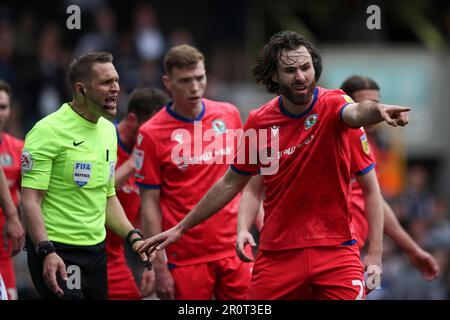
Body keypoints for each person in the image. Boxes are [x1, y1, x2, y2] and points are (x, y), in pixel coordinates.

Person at [137, 31, 410, 300]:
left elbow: (356, 112)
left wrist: (379, 109)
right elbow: (234, 182)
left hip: (336, 250)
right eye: (291, 70)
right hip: (277, 255)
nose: (301, 76)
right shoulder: (259, 122)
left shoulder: (334, 103)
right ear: (274, 76)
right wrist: (181, 228)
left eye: (306, 67)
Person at [20, 52, 148, 300]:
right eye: (106, 82)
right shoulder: (48, 130)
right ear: (81, 89)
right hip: (57, 250)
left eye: (116, 80)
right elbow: (30, 200)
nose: (116, 89)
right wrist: (45, 250)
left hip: (96, 253)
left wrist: (132, 236)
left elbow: (107, 195)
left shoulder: (109, 131)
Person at [134, 44, 252, 300]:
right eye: (185, 80)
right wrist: (159, 266)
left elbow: (248, 181)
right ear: (168, 82)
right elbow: (149, 205)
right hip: (185, 257)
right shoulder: (151, 134)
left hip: (235, 249)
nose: (195, 87)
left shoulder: (229, 114)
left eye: (200, 78)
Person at [340, 75, 439, 281]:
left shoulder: (371, 147)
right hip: (333, 250)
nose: (372, 110)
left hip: (352, 251)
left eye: (376, 104)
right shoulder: (337, 142)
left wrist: (412, 250)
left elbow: (376, 201)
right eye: (364, 104)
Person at [106, 86, 168, 300]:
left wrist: (153, 265)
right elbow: (94, 192)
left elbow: (145, 214)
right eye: (152, 126)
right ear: (132, 120)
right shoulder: (104, 139)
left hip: (115, 256)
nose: (156, 134)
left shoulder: (152, 155)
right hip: (82, 251)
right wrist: (134, 162)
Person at [0, 79, 25, 300]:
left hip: (4, 250)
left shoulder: (19, 149)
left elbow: (30, 197)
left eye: (3, 107)